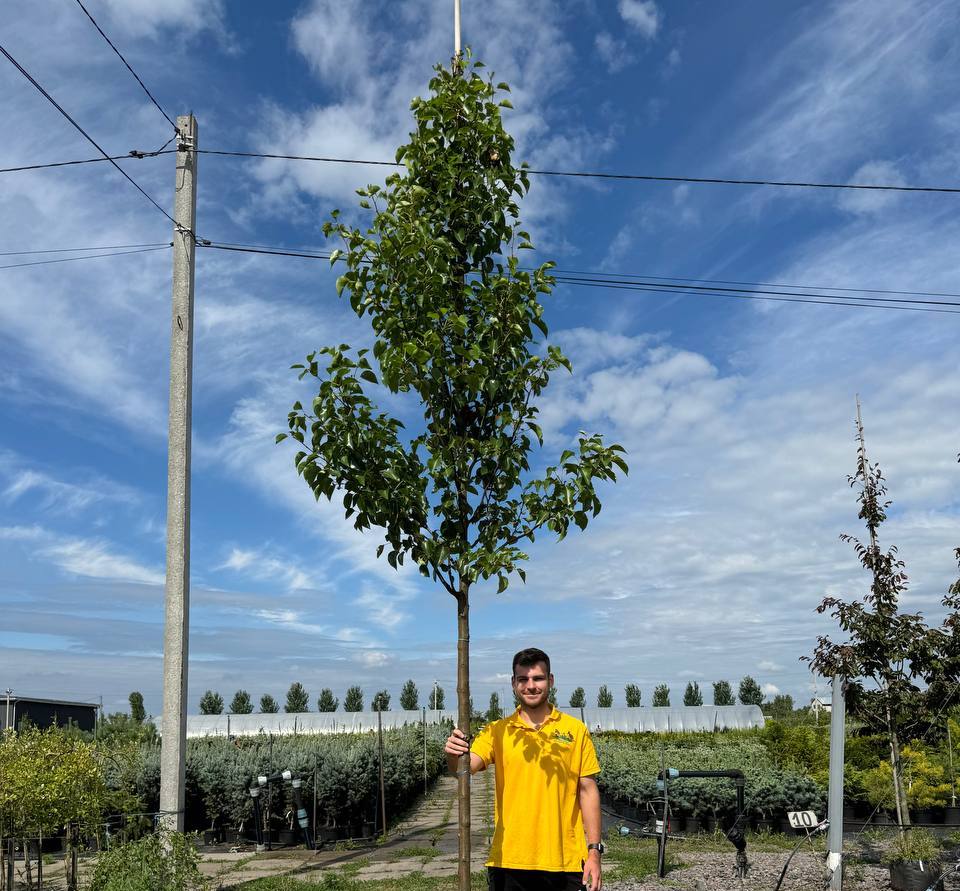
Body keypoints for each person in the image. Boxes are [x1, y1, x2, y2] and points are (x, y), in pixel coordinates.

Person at [445, 647, 603, 891]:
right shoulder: (497, 732)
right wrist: (453, 754)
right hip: (510, 859)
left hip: (565, 860)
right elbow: (464, 769)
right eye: (523, 679)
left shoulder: (575, 730)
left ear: (550, 681)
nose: (531, 686)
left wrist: (594, 852)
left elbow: (588, 790)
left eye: (538, 678)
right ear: (513, 683)